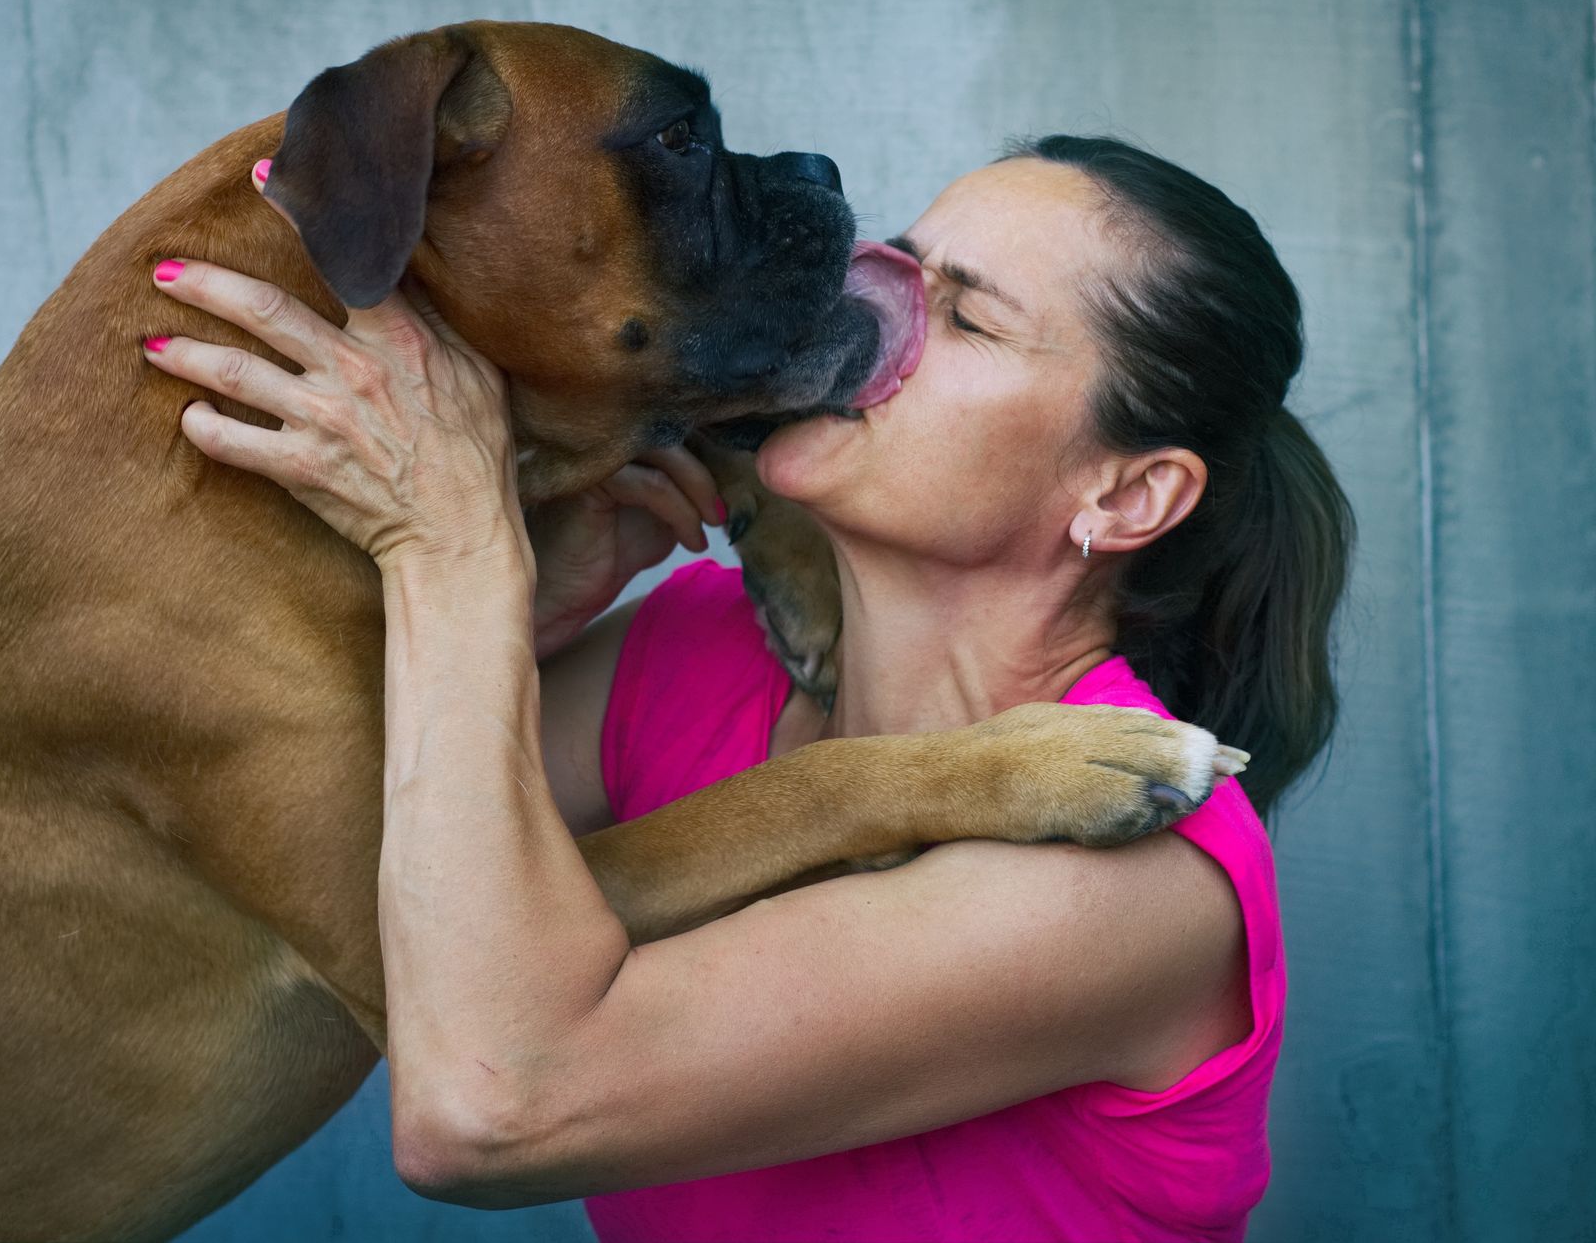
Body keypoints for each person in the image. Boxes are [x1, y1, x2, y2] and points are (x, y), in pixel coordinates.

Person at [139, 135, 1353, 1242]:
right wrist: (514, 615)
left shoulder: (1133, 868)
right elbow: (316, 888)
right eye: (900, 265)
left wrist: (451, 546)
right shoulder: (691, 650)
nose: (867, 309)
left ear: (1126, 496)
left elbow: (489, 1107)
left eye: (967, 319)